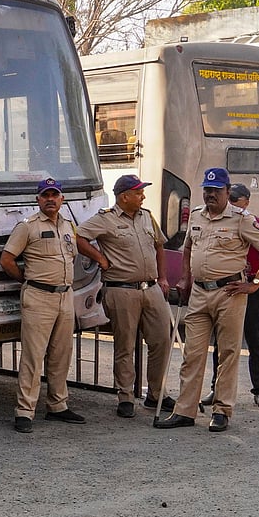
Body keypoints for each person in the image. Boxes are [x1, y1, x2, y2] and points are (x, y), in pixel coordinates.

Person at [155, 169, 259, 433]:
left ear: (227, 191)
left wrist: (255, 283)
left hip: (229, 292)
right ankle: (185, 411)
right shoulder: (197, 214)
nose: (210, 194)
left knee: (228, 353)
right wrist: (186, 278)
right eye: (207, 189)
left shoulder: (241, 219)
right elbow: (188, 247)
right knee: (192, 353)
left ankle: (222, 410)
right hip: (199, 292)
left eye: (216, 190)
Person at [76, 174, 174, 419]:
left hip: (151, 289)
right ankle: (126, 396)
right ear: (124, 197)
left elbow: (159, 246)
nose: (143, 196)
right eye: (138, 192)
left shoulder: (147, 217)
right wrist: (100, 258)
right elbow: (77, 237)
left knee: (161, 340)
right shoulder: (106, 219)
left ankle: (156, 393)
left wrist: (163, 277)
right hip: (121, 290)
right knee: (125, 345)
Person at [0, 177, 87, 433]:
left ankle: (57, 406)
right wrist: (25, 279)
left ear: (62, 199)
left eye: (55, 195)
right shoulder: (27, 227)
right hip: (38, 296)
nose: (50, 199)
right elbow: (7, 259)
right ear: (38, 200)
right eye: (45, 196)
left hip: (64, 296)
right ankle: (24, 411)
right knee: (33, 356)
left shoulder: (69, 226)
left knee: (61, 354)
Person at [200, 183, 259, 408]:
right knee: (221, 342)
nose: (232, 204)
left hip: (249, 286)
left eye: (237, 200)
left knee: (254, 338)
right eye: (231, 199)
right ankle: (216, 387)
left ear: (247, 202)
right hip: (228, 287)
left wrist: (256, 282)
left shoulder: (255, 223)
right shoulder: (218, 221)